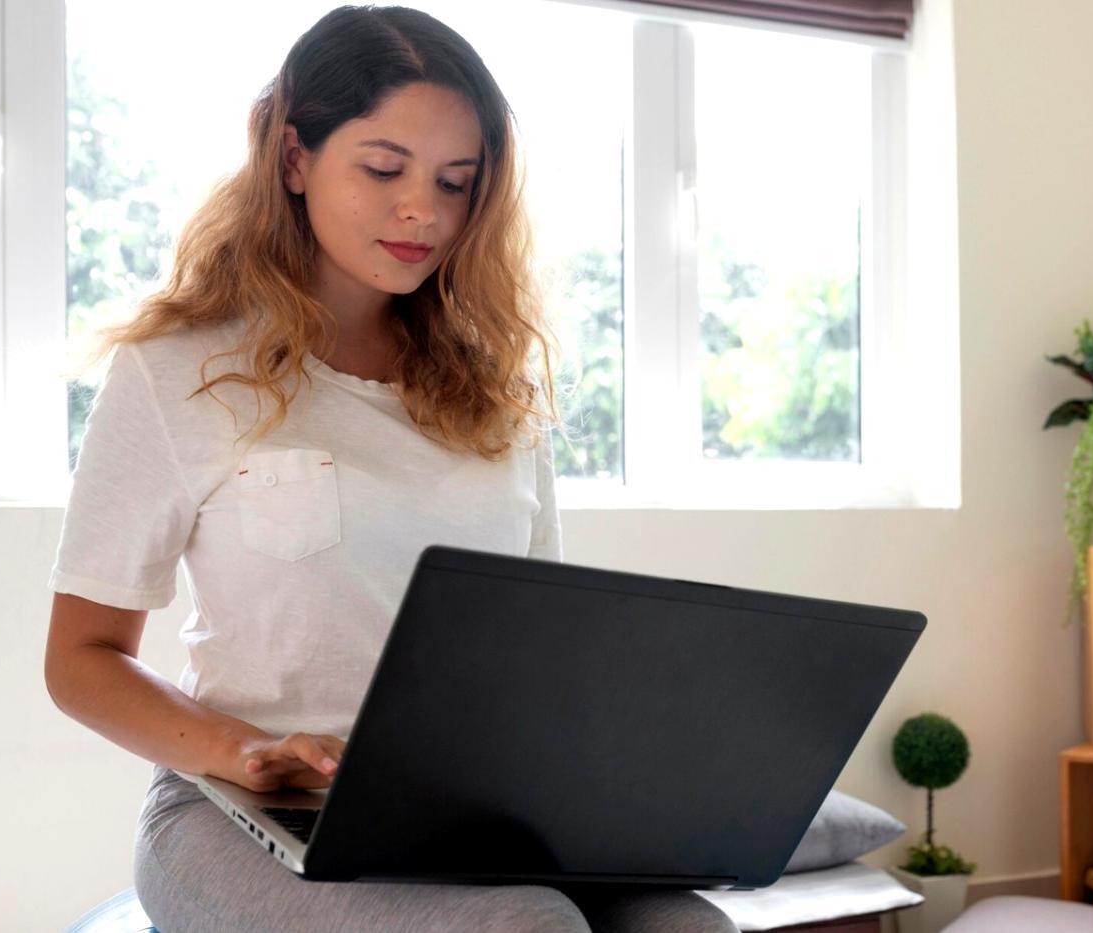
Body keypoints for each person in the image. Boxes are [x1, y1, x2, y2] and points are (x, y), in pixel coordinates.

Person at [43, 6, 739, 931]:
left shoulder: (499, 392)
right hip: (237, 812)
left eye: (456, 182)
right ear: (294, 157)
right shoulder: (179, 370)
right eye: (383, 168)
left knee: (690, 925)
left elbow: (531, 652)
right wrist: (245, 749)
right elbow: (80, 660)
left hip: (463, 813)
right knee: (527, 928)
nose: (424, 210)